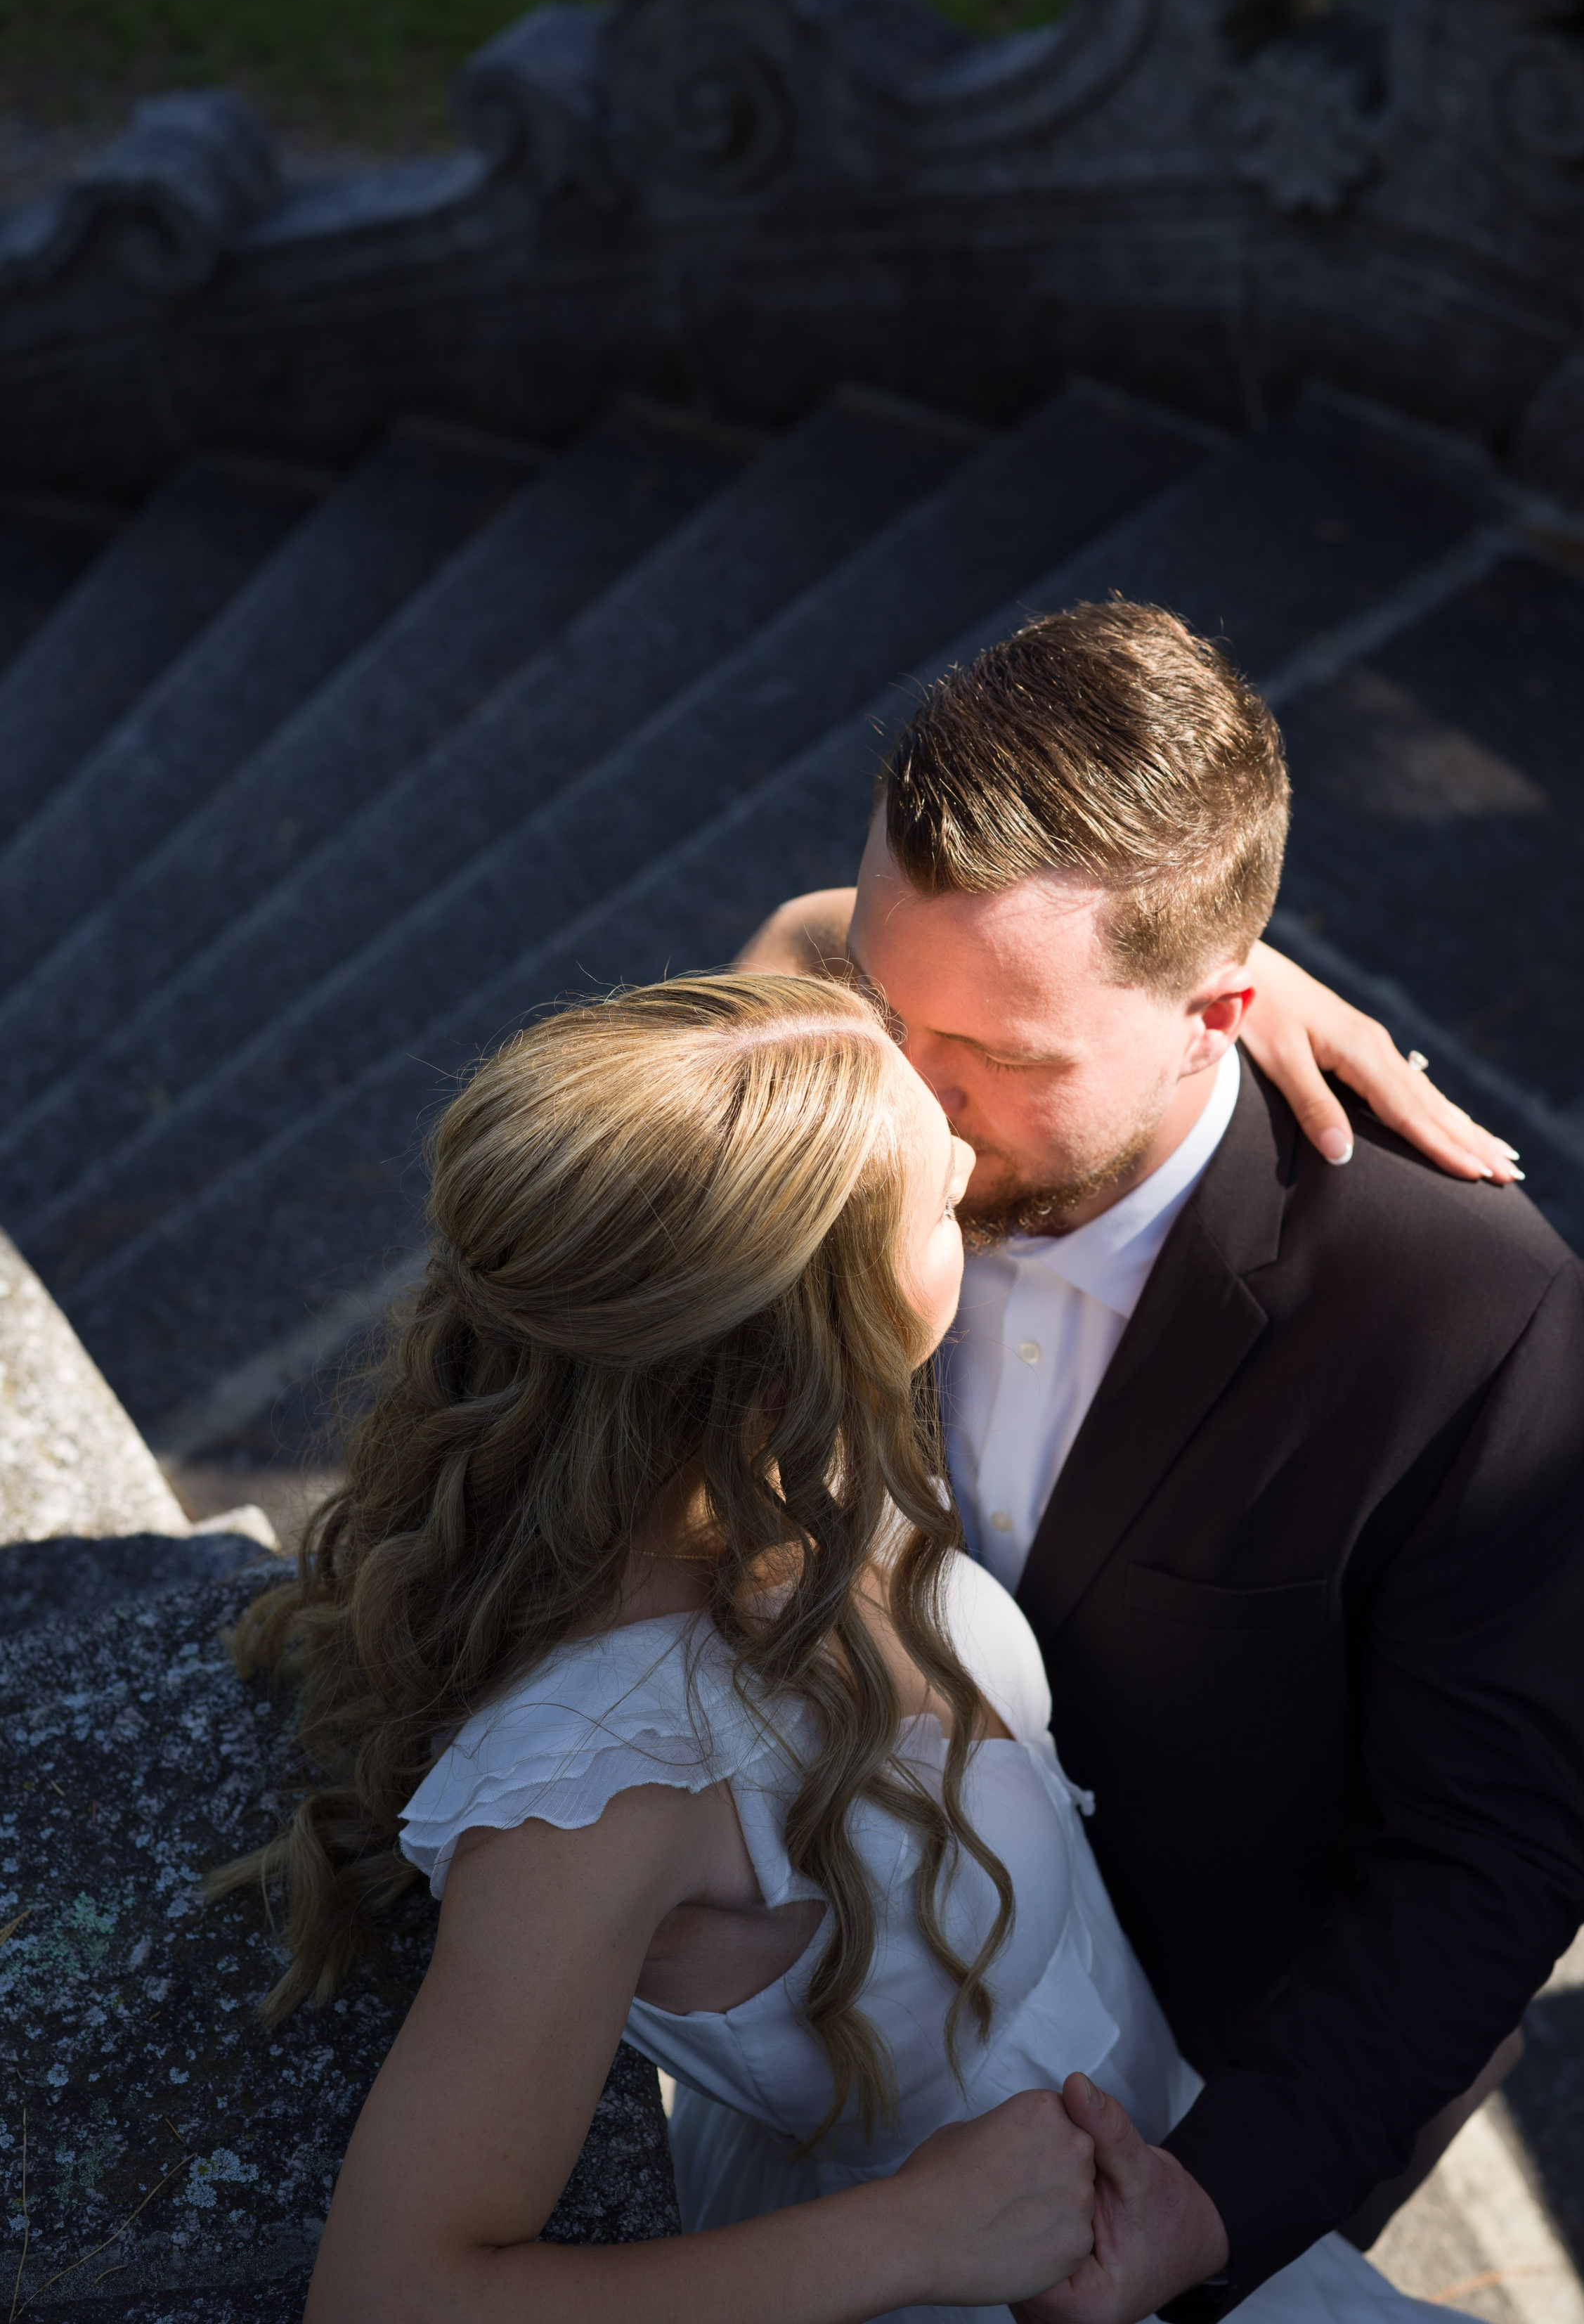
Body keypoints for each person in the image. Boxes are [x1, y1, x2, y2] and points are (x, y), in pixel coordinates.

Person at [217, 973, 1462, 2324]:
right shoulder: (600, 1783)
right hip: (962, 2275)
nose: (972, 1153)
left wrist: (1194, 986)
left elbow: (811, 958)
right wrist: (921, 2238)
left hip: (1153, 2104)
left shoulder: (736, 1414)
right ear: (799, 1347)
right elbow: (388, 2296)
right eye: (936, 1193)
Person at [736, 600, 1584, 2319]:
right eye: (886, 1006)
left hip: (1215, 2073)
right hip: (863, 1983)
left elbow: (1486, 1863)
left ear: (1218, 1008)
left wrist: (1204, 2211)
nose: (903, 1110)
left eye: (995, 1057)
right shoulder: (878, 1064)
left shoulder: (1470, 1321)